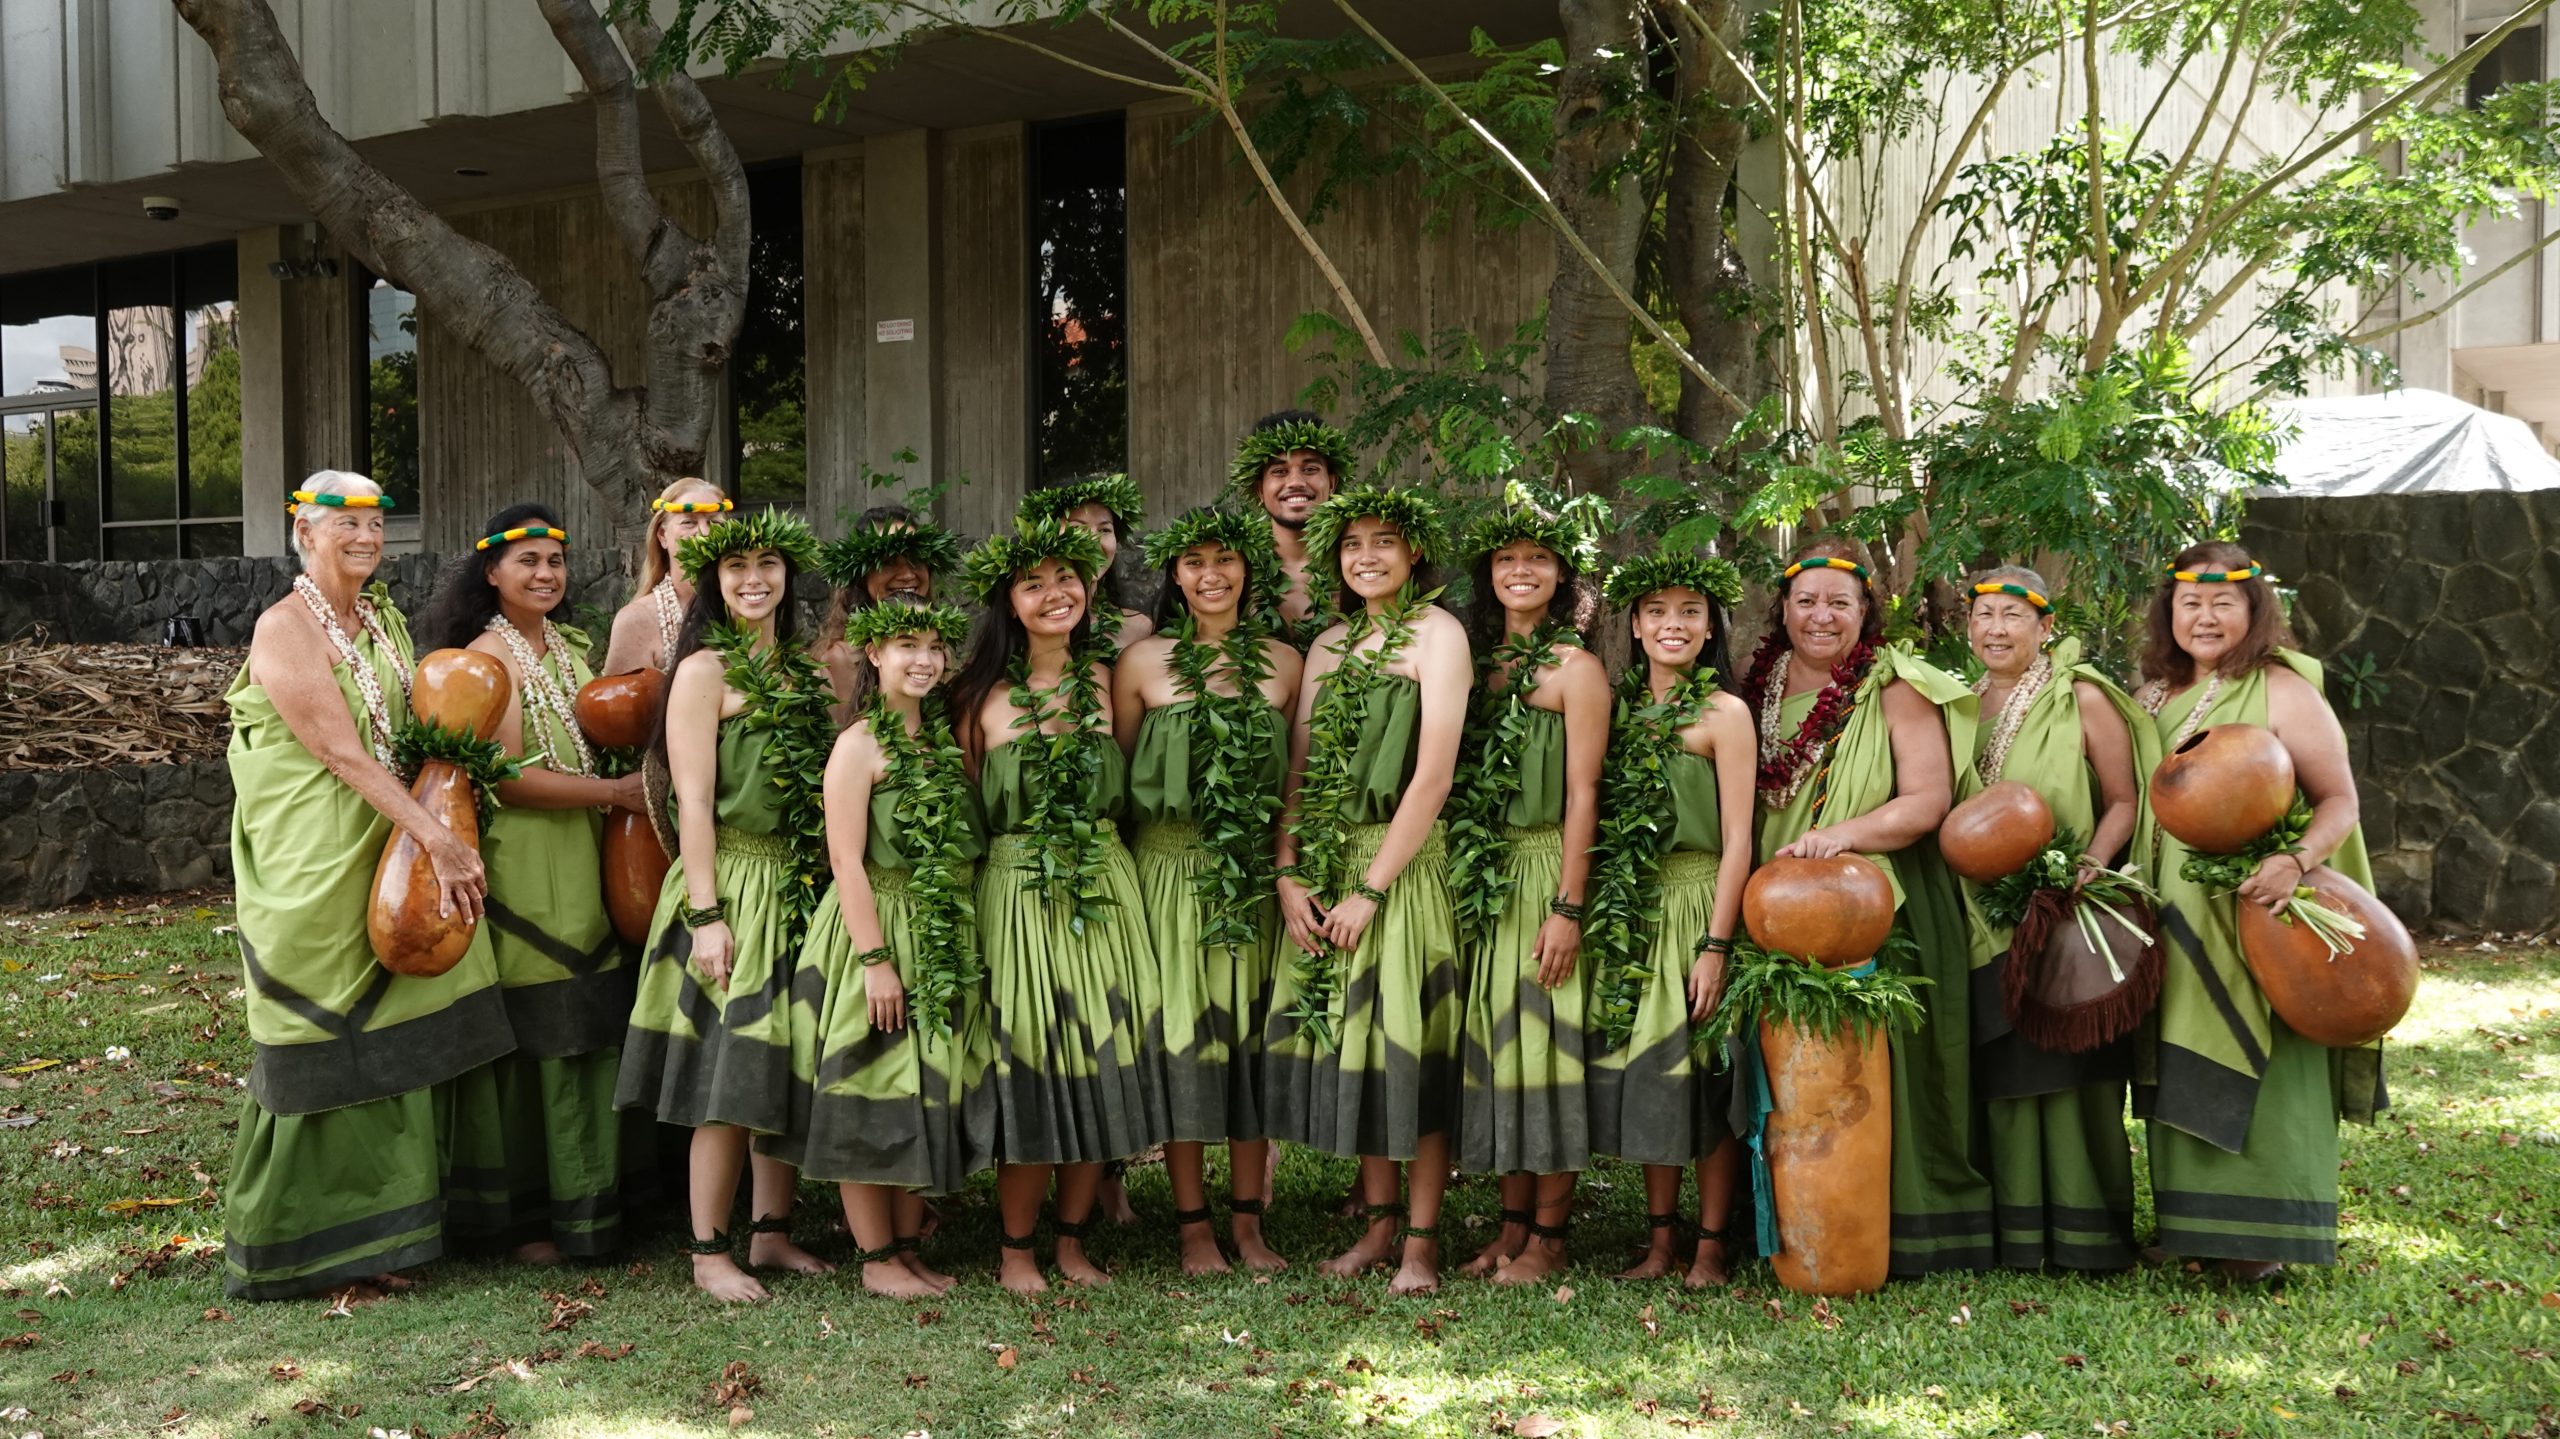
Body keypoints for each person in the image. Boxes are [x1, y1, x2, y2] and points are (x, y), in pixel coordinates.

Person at [221, 470, 511, 1299]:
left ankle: (401, 1223)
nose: (366, 536)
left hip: (384, 835)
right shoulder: (285, 628)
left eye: (377, 522)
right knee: (325, 1028)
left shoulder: (378, 618)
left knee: (406, 1014)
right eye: (344, 522)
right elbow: (340, 753)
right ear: (304, 531)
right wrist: (436, 837)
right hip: (316, 850)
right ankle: (312, 1241)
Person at [1736, 536, 1991, 1276]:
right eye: (1807, 601)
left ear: (1865, 611)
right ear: (1782, 608)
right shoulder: (1755, 688)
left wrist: (1837, 838)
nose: (1821, 616)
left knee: (1873, 1083)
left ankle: (1888, 1230)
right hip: (1773, 905)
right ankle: (1786, 1223)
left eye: (1839, 603)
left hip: (1870, 902)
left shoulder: (1893, 685)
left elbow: (1928, 799)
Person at [2134, 541, 2379, 1283]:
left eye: (2222, 602)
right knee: (2185, 1050)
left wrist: (2294, 861)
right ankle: (2197, 1226)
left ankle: (2267, 1233)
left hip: (2260, 908)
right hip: (2175, 909)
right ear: (2168, 612)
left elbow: (2340, 798)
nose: (2204, 616)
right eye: (2190, 603)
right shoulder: (2151, 694)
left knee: (2264, 1055)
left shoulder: (2282, 689)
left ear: (2254, 609)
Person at [416, 504, 651, 1263]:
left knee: (589, 1016)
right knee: (544, 1022)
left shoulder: (566, 649)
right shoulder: (491, 656)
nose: (546, 574)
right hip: (529, 856)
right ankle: (528, 1219)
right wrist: (617, 796)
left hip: (582, 848)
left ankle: (594, 1202)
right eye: (528, 562)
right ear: (492, 572)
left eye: (555, 561)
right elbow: (513, 780)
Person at [616, 510, 837, 1303]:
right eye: (737, 565)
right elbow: (694, 803)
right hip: (732, 881)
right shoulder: (704, 672)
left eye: (768, 563)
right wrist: (707, 914)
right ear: (712, 578)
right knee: (729, 1073)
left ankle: (772, 1234)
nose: (754, 578)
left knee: (785, 1062)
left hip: (799, 884)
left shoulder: (808, 677)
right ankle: (710, 1247)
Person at [951, 517, 1173, 1295]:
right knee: (1032, 1067)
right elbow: (965, 817)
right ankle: (1016, 1250)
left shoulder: (1112, 681)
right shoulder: (978, 697)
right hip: (1014, 893)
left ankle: (1073, 1243)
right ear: (1009, 603)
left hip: (1107, 885)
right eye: (1034, 582)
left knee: (1100, 1061)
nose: (1056, 594)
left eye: (1067, 578)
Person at [1264, 485, 1472, 1295]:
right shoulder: (1326, 647)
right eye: (1353, 545)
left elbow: (1433, 775)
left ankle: (1421, 1240)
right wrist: (1290, 871)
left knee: (1409, 1050)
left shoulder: (1439, 635)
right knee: (1360, 1045)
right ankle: (1379, 1225)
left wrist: (1374, 889)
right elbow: (1301, 768)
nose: (1368, 556)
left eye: (1385, 540)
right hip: (1331, 860)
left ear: (1414, 551)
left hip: (1403, 865)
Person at [772, 601, 992, 1299]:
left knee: (914, 1090)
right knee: (869, 1087)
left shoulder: (939, 741)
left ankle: (902, 1248)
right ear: (873, 655)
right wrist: (875, 960)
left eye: (934, 646)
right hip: (877, 928)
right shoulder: (859, 744)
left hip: (935, 927)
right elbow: (846, 859)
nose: (922, 659)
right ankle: (873, 1258)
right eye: (906, 645)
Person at [1112, 507, 1304, 1274]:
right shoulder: (1142, 664)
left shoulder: (1285, 664)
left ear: (1249, 570)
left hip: (1254, 874)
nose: (1212, 575)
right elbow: (1121, 780)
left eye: (1226, 560)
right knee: (1184, 1041)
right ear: (1175, 576)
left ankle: (1250, 1224)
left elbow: (1296, 782)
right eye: (1194, 562)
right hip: (1166, 870)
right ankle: (1193, 1228)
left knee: (1252, 1040)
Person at [1951, 566, 2153, 1271]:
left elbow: (2124, 798)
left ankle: (2086, 1234)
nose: (1996, 629)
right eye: (1984, 615)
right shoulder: (1956, 705)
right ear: (1967, 626)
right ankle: (2012, 1234)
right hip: (1981, 915)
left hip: (2068, 908)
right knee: (2002, 1071)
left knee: (2072, 1073)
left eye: (2012, 615)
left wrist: (2086, 868)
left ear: (2045, 626)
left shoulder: (2084, 697)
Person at [1581, 548, 1758, 1287]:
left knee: (1705, 1075)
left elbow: (1739, 837)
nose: (1673, 624)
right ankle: (1659, 1242)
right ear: (1636, 626)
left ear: (1712, 627)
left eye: (1689, 611)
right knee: (1652, 1076)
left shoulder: (1725, 713)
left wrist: (1716, 943)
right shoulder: (1617, 710)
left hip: (1697, 901)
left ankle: (1711, 1244)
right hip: (1632, 908)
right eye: (1657, 611)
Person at [1446, 507, 1610, 1285]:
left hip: (1547, 865)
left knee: (1548, 1047)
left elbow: (1584, 792)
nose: (1520, 569)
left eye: (1537, 557)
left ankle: (1550, 1237)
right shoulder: (1475, 662)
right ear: (1487, 574)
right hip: (1486, 874)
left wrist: (1567, 905)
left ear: (1561, 575)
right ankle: (1509, 1232)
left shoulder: (1576, 669)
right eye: (1505, 556)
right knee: (1501, 1048)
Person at [814, 506, 966, 708]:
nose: (907, 575)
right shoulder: (840, 659)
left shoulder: (940, 648)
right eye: (888, 562)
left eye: (916, 560)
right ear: (862, 575)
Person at [1226, 411, 1350, 648]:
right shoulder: (1231, 569)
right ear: (1260, 490)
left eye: (1310, 469)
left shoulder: (1362, 564)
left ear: (1332, 483)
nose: (1295, 482)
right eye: (1280, 471)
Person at [603, 477, 730, 676]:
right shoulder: (636, 620)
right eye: (689, 522)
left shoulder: (745, 606)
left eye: (713, 522)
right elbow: (618, 706)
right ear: (662, 536)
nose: (705, 533)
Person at [1019, 474, 1154, 650]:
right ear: (1044, 538)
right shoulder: (1020, 631)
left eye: (1104, 529)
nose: (1094, 541)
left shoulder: (1139, 628)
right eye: (1077, 529)